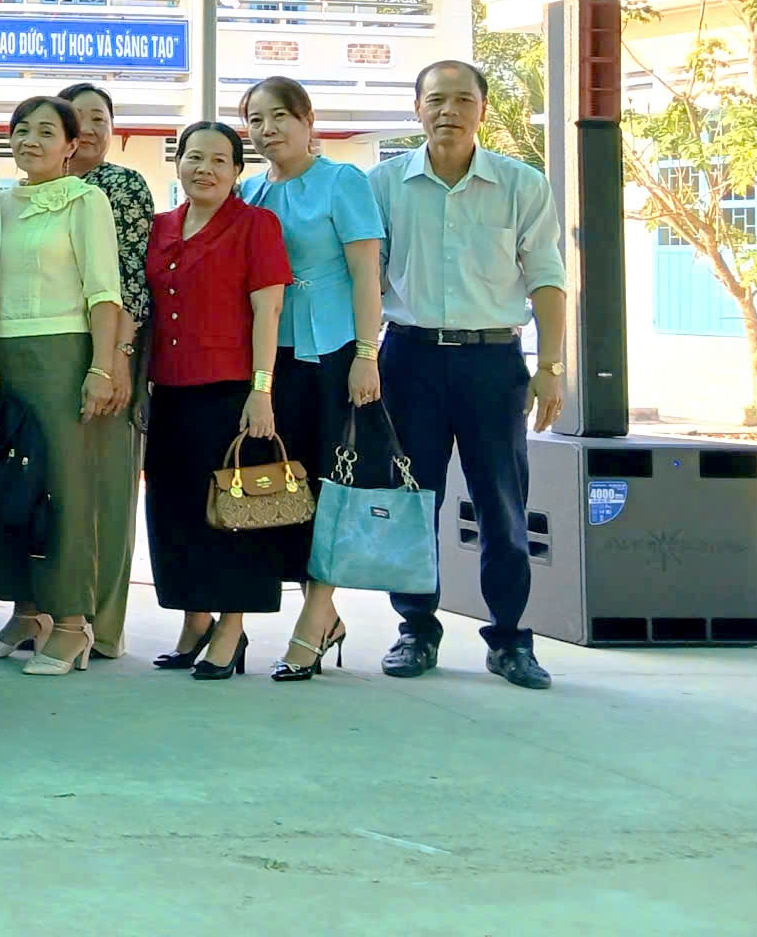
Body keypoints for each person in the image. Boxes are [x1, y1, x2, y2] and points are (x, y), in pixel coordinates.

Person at [369, 59, 568, 690]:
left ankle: (509, 640)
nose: (448, 110)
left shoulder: (521, 184)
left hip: (493, 363)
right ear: (417, 109)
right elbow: (367, 277)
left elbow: (547, 277)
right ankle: (415, 630)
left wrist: (551, 367)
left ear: (482, 108)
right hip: (410, 359)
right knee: (412, 502)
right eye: (435, 99)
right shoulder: (384, 184)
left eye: (461, 99)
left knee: (502, 504)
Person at [0, 96, 129, 676]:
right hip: (3, 358)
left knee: (63, 487)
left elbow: (104, 292)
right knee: (10, 484)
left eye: (45, 132)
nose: (29, 140)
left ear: (71, 145)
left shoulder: (86, 201)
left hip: (64, 354)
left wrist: (101, 367)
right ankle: (25, 613)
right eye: (21, 130)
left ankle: (70, 624)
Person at [238, 76, 386, 682]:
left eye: (278, 116)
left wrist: (367, 354)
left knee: (333, 483)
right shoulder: (249, 190)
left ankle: (314, 618)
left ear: (307, 120)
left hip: (335, 352)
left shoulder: (343, 181)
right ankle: (322, 615)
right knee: (285, 486)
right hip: (273, 357)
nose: (266, 129)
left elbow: (367, 275)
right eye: (255, 120)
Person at [142, 123, 294, 680]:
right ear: (178, 163)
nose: (204, 169)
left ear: (236, 172)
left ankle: (232, 627)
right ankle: (195, 621)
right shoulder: (160, 226)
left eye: (218, 161)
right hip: (170, 391)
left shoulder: (256, 224)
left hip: (232, 393)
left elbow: (267, 312)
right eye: (194, 157)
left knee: (237, 514)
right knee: (176, 511)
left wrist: (262, 389)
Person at [58, 81, 155, 659]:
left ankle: (106, 624)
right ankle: (52, 613)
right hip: (52, 347)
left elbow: (131, 276)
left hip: (114, 345)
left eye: (100, 118)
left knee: (109, 484)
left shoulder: (122, 185)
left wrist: (118, 357)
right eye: (79, 118)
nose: (90, 129)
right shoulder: (39, 188)